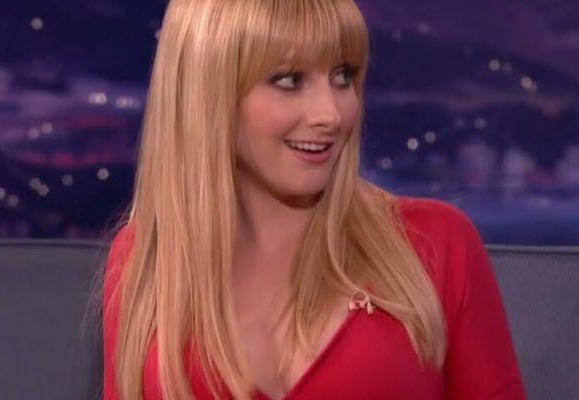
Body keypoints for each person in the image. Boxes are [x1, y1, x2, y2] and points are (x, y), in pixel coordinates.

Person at [102, 0, 526, 399]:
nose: (331, 114)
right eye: (289, 80)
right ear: (208, 94)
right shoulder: (148, 261)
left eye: (342, 76)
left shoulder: (435, 244)